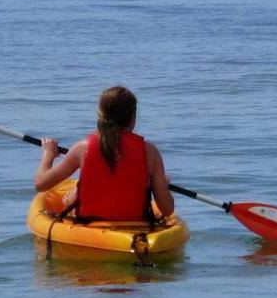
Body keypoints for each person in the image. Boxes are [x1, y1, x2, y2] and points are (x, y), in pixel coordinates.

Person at [34, 85, 175, 226]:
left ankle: (76, 196)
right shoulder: (150, 152)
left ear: (101, 114)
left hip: (88, 223)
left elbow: (41, 184)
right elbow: (167, 209)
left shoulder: (82, 149)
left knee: (71, 198)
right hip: (135, 226)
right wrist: (160, 186)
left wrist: (49, 154)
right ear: (133, 117)